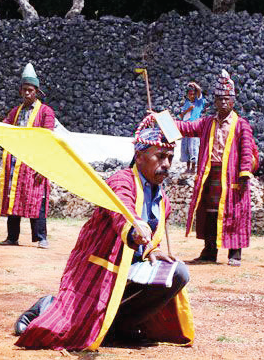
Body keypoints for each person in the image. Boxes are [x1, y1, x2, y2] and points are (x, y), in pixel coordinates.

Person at [13, 116, 193, 350]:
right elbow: (124, 212)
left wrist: (153, 249)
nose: (167, 164)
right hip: (101, 265)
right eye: (160, 156)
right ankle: (47, 306)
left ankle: (121, 326)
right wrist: (135, 229)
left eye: (170, 157)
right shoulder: (121, 181)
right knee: (71, 327)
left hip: (132, 266)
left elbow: (152, 237)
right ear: (139, 157)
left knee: (177, 273)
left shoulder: (163, 200)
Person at [176, 70, 259, 266]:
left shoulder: (241, 125)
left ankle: (235, 253)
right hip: (209, 173)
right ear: (215, 100)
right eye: (220, 99)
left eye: (227, 99)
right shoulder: (206, 123)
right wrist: (161, 121)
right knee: (209, 212)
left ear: (233, 101)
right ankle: (209, 251)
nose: (223, 102)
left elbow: (247, 149)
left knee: (235, 213)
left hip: (232, 176)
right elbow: (186, 128)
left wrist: (244, 173)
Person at [0, 63, 55, 248]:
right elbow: (4, 126)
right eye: (24, 90)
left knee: (37, 200)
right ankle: (12, 237)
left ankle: (41, 237)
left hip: (34, 164)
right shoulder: (16, 111)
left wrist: (43, 167)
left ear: (36, 91)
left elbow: (48, 139)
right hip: (16, 165)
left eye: (30, 90)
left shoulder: (46, 112)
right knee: (14, 198)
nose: (27, 94)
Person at [178, 81, 207, 173]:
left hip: (194, 128)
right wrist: (188, 110)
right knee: (185, 147)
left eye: (193, 94)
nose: (192, 96)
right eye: (190, 94)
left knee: (193, 147)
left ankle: (193, 167)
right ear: (187, 95)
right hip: (185, 127)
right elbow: (181, 116)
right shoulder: (186, 103)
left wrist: (194, 84)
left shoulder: (198, 103)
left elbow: (199, 91)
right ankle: (187, 167)